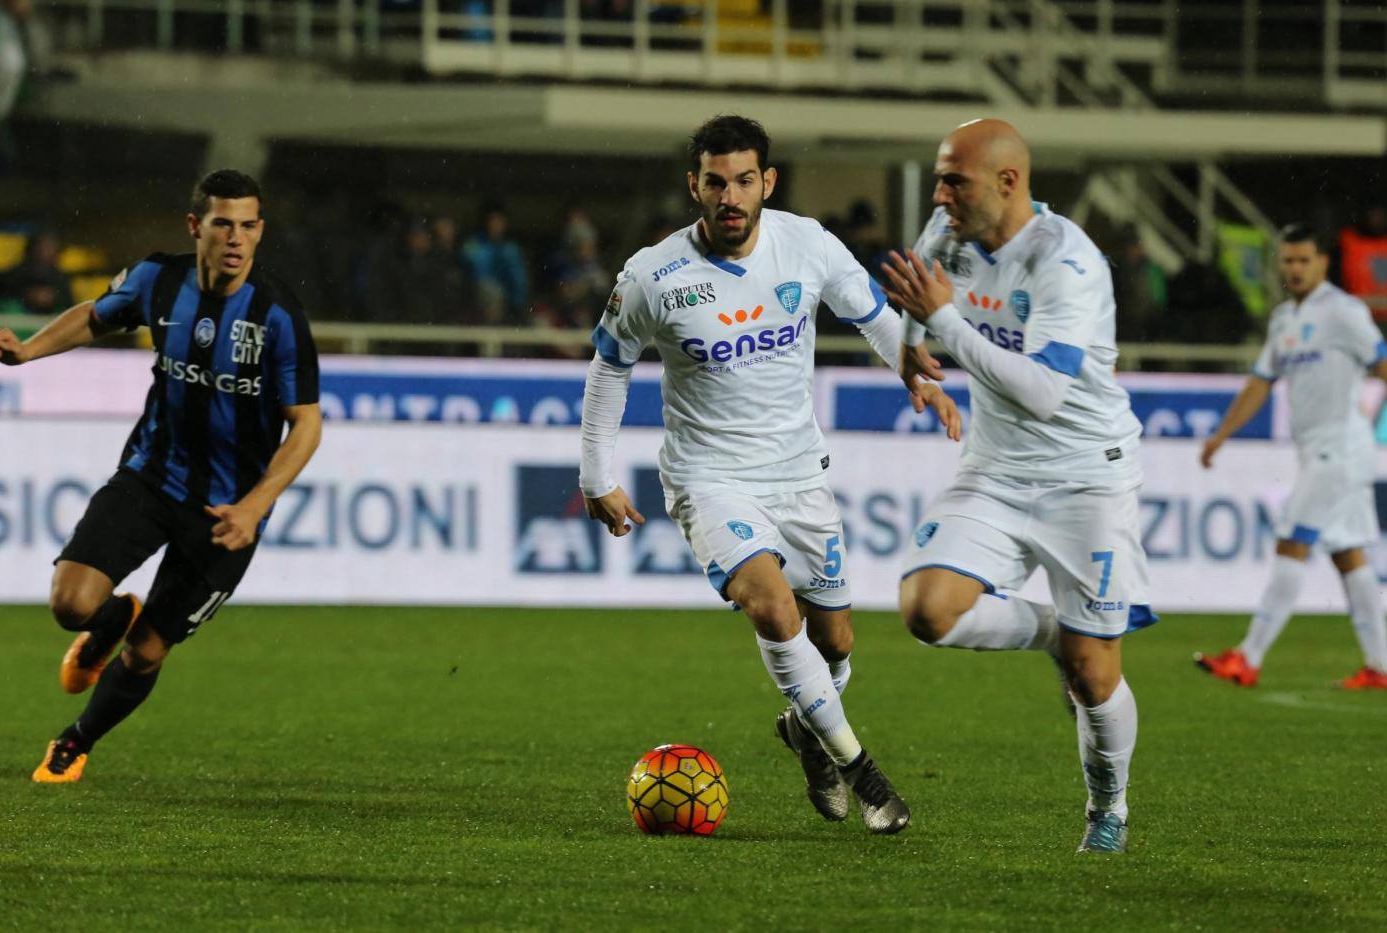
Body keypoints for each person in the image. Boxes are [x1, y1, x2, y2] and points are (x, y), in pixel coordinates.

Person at [578, 115, 960, 834]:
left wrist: (912, 367)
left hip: (799, 477)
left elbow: (870, 312)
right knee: (774, 609)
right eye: (715, 182)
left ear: (767, 183)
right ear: (694, 185)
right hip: (710, 478)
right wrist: (597, 473)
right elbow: (609, 366)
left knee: (837, 642)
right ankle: (863, 772)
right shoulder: (652, 275)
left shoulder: (806, 244)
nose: (730, 196)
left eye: (744, 181)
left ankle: (805, 727)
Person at [0, 169, 323, 782]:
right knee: (69, 603)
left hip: (225, 513)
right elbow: (97, 314)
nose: (236, 238)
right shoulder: (158, 279)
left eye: (249, 225)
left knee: (147, 653)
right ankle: (110, 618)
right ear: (196, 226)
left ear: (260, 231)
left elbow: (306, 425)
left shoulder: (278, 316)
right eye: (223, 223)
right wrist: (29, 351)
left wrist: (254, 507)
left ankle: (77, 740)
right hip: (149, 477)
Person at [881, 119, 1154, 854]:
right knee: (926, 610)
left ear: (1008, 182)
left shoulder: (1068, 263)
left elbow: (1042, 392)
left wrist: (943, 321)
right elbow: (918, 294)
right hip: (997, 471)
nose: (940, 194)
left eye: (954, 180)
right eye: (939, 177)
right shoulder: (949, 229)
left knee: (1095, 677)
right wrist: (912, 353)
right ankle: (1052, 630)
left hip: (1086, 478)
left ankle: (1110, 808)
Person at [1195, 224, 1387, 691]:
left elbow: (1382, 363)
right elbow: (1261, 380)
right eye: (1288, 261)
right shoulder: (1283, 319)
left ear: (1323, 262)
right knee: (1348, 556)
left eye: (1304, 260)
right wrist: (1222, 434)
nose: (1295, 269)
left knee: (1291, 542)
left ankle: (1248, 657)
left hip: (1339, 448)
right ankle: (1380, 667)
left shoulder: (1344, 312)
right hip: (1317, 452)